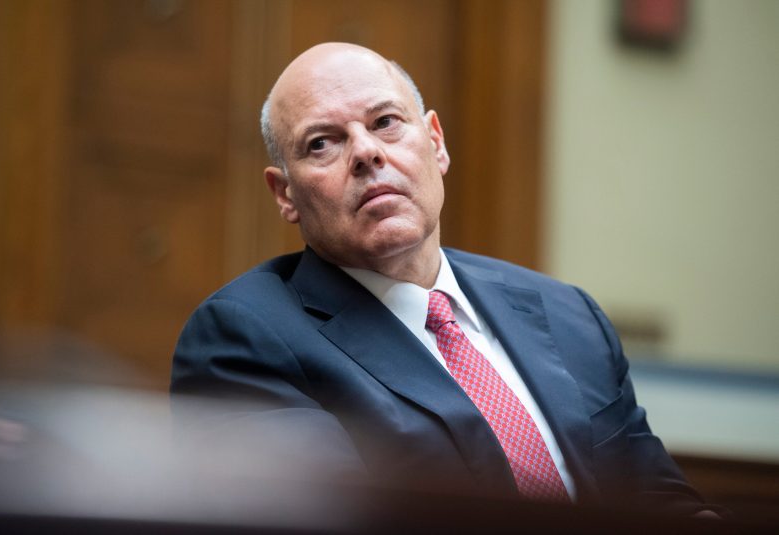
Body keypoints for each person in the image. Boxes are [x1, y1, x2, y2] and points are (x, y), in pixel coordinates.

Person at [171, 42, 713, 514]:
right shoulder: (244, 338)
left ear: (436, 142)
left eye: (385, 122)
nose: (366, 152)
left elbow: (658, 501)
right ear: (285, 193)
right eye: (322, 143)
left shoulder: (569, 315)